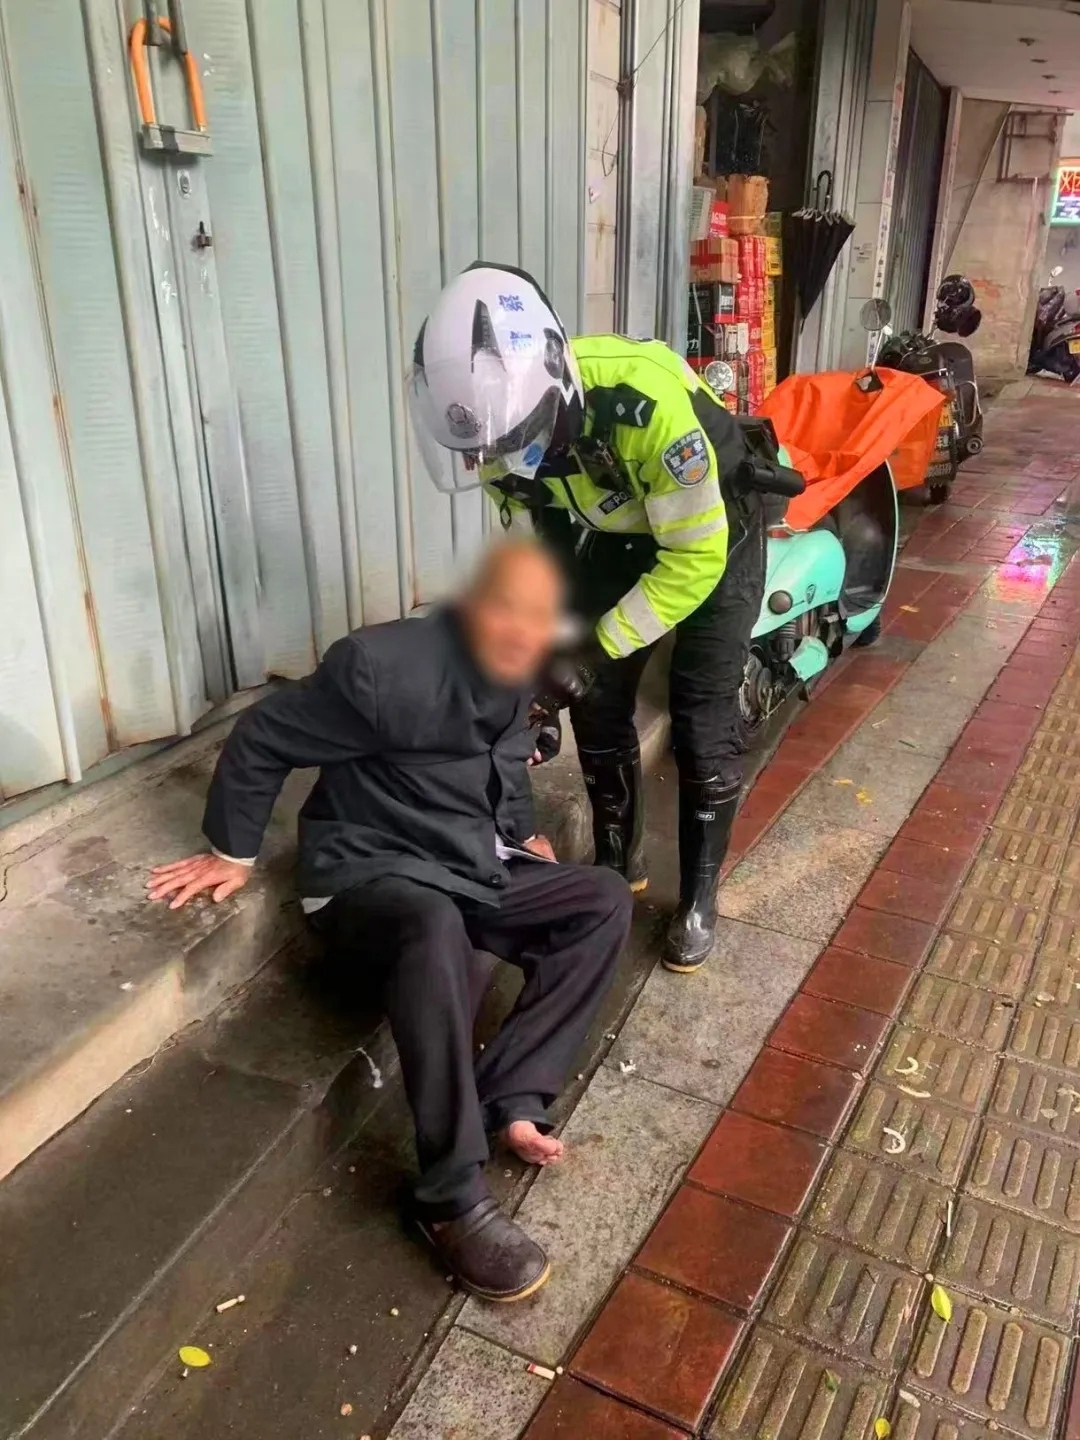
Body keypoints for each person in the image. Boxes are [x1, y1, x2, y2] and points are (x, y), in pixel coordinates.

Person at [147, 540, 633, 1303]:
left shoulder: (521, 663)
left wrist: (521, 833)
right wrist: (232, 853)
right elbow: (265, 736)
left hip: (469, 861)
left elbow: (506, 759)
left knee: (601, 898)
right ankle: (450, 1197)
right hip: (371, 871)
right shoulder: (381, 667)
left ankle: (513, 1098)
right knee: (433, 924)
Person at [409, 262, 768, 973]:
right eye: (490, 451)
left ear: (558, 384)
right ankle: (615, 862)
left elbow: (692, 561)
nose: (504, 460)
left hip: (712, 535)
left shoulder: (646, 406)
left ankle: (699, 895)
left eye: (520, 437)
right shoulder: (494, 434)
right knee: (594, 705)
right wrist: (540, 665)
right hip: (610, 531)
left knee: (700, 719)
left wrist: (597, 647)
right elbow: (541, 546)